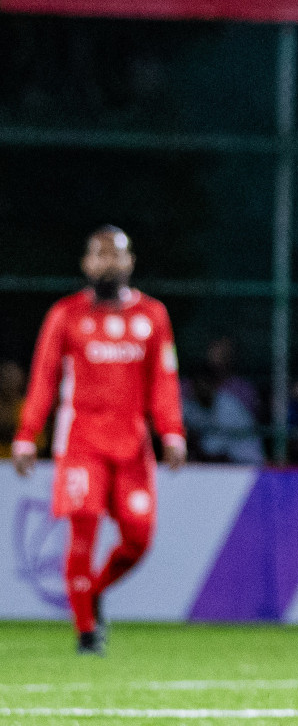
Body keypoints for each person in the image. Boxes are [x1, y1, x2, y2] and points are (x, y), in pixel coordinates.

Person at [10, 227, 186, 655]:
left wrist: (173, 431)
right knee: (83, 535)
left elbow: (164, 381)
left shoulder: (153, 316)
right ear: (87, 264)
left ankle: (91, 592)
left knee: (138, 539)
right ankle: (87, 632)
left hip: (132, 448)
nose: (108, 262)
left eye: (116, 255)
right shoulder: (66, 315)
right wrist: (26, 434)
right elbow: (43, 378)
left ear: (130, 262)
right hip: (81, 445)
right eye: (100, 255)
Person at [181, 365, 264, 464]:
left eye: (206, 383)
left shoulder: (229, 406)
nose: (202, 388)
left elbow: (213, 451)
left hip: (245, 460)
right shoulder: (191, 405)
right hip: (220, 462)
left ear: (214, 385)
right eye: (198, 384)